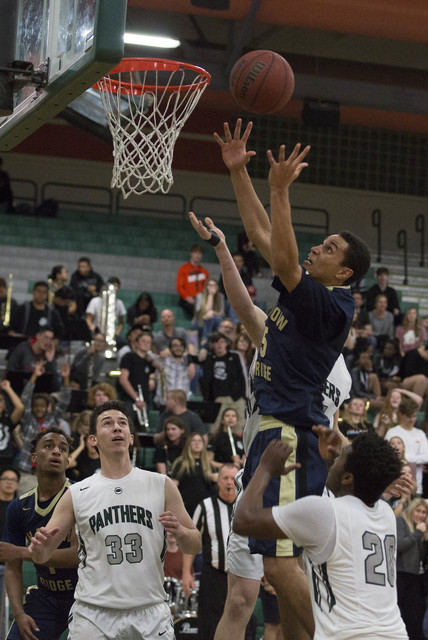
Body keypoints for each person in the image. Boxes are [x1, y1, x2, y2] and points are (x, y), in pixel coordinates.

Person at [189, 212, 353, 640]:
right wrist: (223, 248)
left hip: (292, 454)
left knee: (285, 571)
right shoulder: (279, 335)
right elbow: (245, 304)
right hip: (261, 461)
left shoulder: (329, 360)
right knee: (245, 597)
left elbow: (329, 431)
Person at [29, 400, 201, 640]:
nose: (117, 428)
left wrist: (182, 533)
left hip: (149, 611)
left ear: (131, 437)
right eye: (107, 423)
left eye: (122, 423)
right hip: (93, 613)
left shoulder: (161, 484)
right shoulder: (77, 493)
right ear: (93, 440)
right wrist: (39, 548)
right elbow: (41, 556)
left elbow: (195, 544)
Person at [233, 431, 408, 640]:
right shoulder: (385, 513)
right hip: (395, 633)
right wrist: (334, 461)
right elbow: (348, 489)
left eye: (340, 458)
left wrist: (264, 468)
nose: (334, 459)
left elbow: (243, 521)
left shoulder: (323, 512)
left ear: (348, 477)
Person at [3, 427, 78, 640]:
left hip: (85, 595)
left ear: (67, 461)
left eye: (63, 449)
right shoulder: (19, 507)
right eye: (49, 446)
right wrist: (19, 614)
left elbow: (77, 556)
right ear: (34, 456)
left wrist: (21, 552)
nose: (57, 452)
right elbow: (12, 567)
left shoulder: (82, 495)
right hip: (45, 596)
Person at [182, 463, 238, 640]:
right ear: (218, 481)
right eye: (225, 478)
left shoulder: (246, 505)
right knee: (209, 626)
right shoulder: (205, 506)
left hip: (240, 578)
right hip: (213, 576)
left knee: (240, 625)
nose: (229, 482)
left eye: (233, 479)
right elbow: (192, 542)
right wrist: (186, 572)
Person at [17, 360, 71, 495]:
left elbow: (64, 402)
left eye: (42, 406)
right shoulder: (28, 420)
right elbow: (25, 398)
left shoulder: (53, 420)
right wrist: (34, 376)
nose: (38, 408)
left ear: (47, 407)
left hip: (49, 476)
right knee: (26, 511)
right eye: (35, 406)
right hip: (27, 473)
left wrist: (65, 379)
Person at [199, 331, 246, 433]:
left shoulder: (234, 357)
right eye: (216, 342)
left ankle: (240, 447)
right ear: (212, 345)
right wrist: (208, 400)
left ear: (226, 343)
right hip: (217, 398)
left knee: (240, 426)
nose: (219, 345)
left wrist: (243, 395)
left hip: (236, 397)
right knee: (215, 428)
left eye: (222, 341)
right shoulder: (209, 359)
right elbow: (206, 381)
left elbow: (242, 377)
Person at [396, 497, 428, 640]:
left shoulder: (420, 528)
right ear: (411, 510)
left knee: (415, 621)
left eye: (424, 512)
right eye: (418, 511)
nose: (421, 515)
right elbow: (399, 546)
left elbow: (421, 557)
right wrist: (417, 534)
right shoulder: (401, 521)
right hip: (399, 576)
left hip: (414, 577)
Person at [385, 397, 428, 496]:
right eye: (409, 416)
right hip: (396, 485)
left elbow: (426, 457)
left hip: (417, 486)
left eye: (414, 416)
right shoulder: (392, 432)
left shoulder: (420, 433)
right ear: (401, 415)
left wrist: (406, 458)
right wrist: (416, 459)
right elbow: (388, 456)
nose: (412, 419)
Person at [171, 433, 216, 517]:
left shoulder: (208, 465)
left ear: (203, 444)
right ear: (189, 444)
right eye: (193, 441)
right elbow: (173, 486)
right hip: (185, 507)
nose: (197, 443)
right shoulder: (181, 463)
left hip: (204, 508)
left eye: (199, 441)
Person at [6, 326, 59, 394]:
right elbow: (11, 372)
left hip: (40, 394)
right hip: (19, 391)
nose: (48, 341)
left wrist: (50, 360)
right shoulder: (22, 348)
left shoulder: (49, 354)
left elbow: (55, 385)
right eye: (46, 337)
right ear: (38, 336)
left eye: (50, 339)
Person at [0, 466, 19, 633]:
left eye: (13, 480)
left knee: (7, 613)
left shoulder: (21, 507)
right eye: (5, 478)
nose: (9, 482)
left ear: (17, 485)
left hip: (11, 567)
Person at [151, 337, 195, 410]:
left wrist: (190, 357)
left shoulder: (188, 362)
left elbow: (191, 375)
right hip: (164, 404)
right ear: (170, 348)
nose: (179, 348)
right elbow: (148, 356)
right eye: (175, 345)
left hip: (181, 405)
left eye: (181, 345)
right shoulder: (163, 361)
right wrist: (160, 355)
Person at [176, 244, 209, 319]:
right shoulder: (183, 269)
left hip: (200, 299)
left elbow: (205, 288)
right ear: (191, 253)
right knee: (195, 308)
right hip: (187, 299)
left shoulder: (205, 272)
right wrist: (187, 297)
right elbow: (179, 287)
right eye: (195, 252)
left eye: (200, 253)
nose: (197, 255)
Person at [0, 379, 24, 467]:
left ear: (4, 404)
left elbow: (20, 408)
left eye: (1, 400)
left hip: (6, 461)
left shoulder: (8, 420)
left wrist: (8, 388)